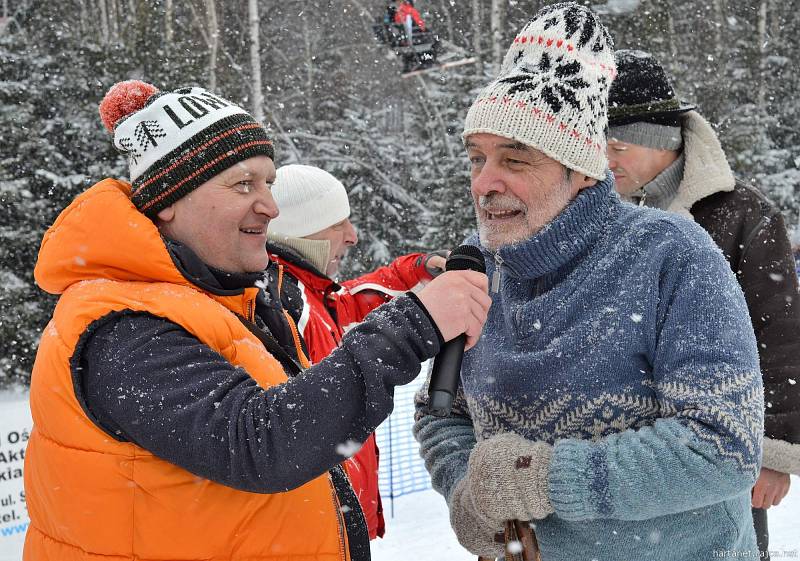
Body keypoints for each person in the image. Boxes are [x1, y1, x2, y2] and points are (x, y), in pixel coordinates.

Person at [24, 80, 491, 561]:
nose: (270, 205)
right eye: (243, 184)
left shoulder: (219, 299)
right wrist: (414, 326)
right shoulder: (119, 325)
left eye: (269, 183)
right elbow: (259, 443)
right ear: (167, 200)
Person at [414, 3, 764, 560]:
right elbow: (440, 411)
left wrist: (543, 478)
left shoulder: (673, 256)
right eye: (476, 158)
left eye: (516, 158)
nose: (485, 183)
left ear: (581, 168)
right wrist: (468, 493)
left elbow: (723, 447)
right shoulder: (476, 269)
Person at [605, 49, 800, 560]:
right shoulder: (591, 212)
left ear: (662, 142)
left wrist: (773, 452)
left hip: (720, 446)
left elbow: (777, 334)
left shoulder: (741, 213)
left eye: (618, 144)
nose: (604, 159)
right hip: (617, 454)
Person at [265, 163, 447, 539]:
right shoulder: (286, 306)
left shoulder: (310, 295)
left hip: (335, 526)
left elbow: (354, 298)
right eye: (338, 224)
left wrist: (418, 269)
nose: (352, 236)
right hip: (317, 534)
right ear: (302, 232)